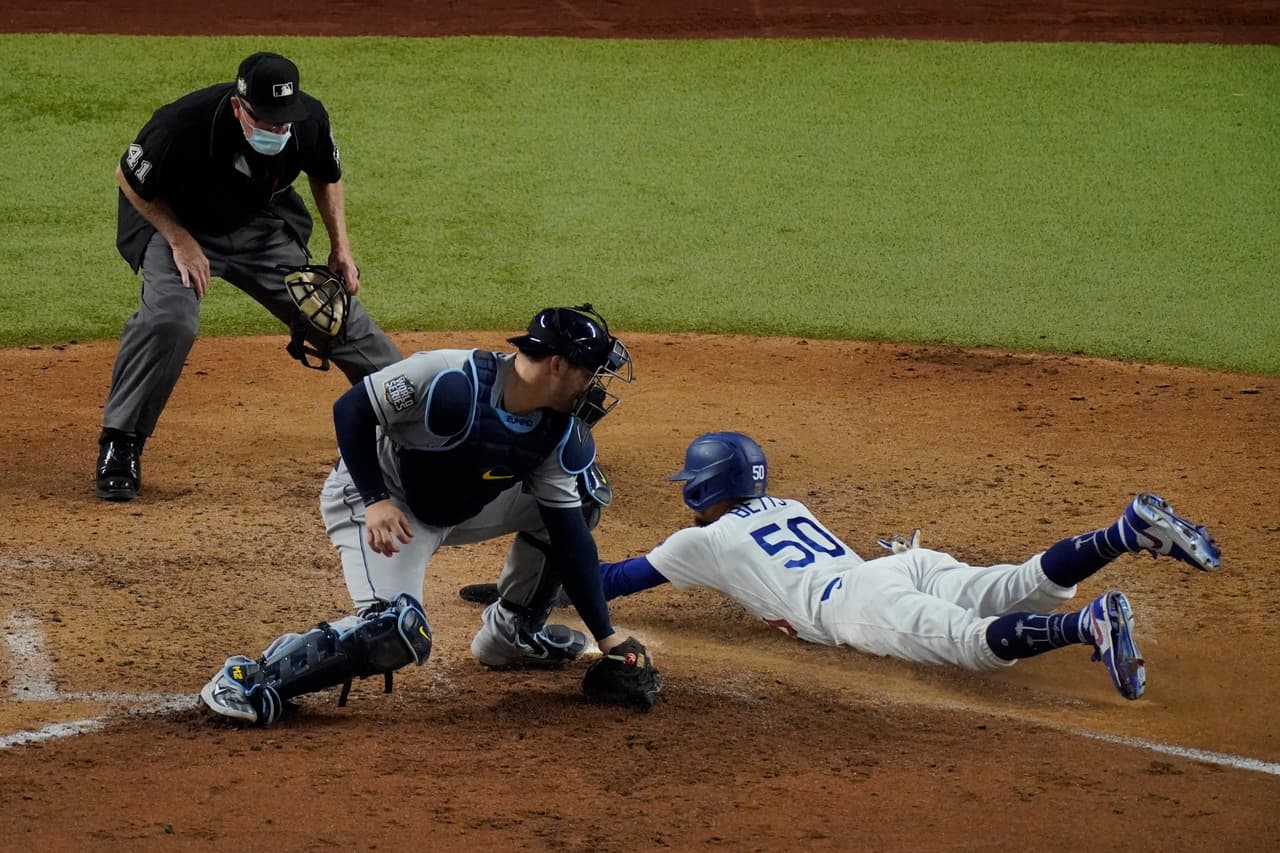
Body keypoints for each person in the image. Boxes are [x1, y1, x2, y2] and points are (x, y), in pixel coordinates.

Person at [198, 305, 662, 726]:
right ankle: (250, 678)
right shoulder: (447, 378)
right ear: (558, 365)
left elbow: (570, 536)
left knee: (580, 499)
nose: (594, 387)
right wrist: (375, 498)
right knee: (395, 630)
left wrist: (607, 636)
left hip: (463, 505)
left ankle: (513, 634)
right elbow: (352, 409)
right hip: (386, 506)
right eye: (590, 373)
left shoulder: (558, 431)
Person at [528, 431, 1221, 701]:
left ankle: (1086, 624)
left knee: (974, 647)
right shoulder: (787, 501)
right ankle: (1124, 531)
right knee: (1013, 584)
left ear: (703, 490)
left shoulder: (695, 541)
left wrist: (542, 587)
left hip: (856, 600)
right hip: (904, 563)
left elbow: (613, 581)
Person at [97, 51, 402, 501]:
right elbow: (128, 177)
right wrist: (180, 241)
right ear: (240, 107)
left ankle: (413, 411)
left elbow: (326, 174)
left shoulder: (308, 119)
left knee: (330, 313)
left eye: (284, 121)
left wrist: (342, 247)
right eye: (268, 121)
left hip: (260, 226)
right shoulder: (182, 125)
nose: (278, 130)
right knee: (170, 319)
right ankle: (120, 442)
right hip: (178, 226)